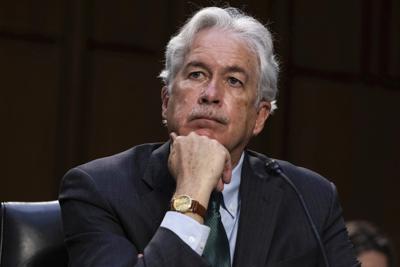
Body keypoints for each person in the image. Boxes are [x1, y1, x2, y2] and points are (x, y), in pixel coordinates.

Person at [59, 6, 359, 267]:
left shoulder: (310, 198)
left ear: (260, 116)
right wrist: (192, 194)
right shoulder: (99, 189)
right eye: (196, 74)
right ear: (166, 101)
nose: (211, 94)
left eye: (233, 80)